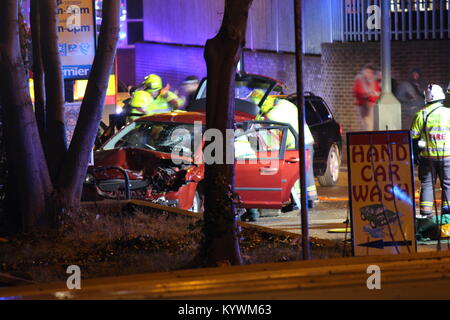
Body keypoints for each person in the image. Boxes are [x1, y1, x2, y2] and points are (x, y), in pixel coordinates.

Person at [411, 84, 450, 219]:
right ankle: (447, 216)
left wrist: (415, 156)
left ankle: (426, 215)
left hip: (427, 158)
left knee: (427, 184)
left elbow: (413, 138)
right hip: (447, 156)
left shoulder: (421, 114)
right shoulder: (448, 113)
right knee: (448, 184)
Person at [353, 64, 381, 131]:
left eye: (369, 72)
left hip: (371, 107)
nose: (367, 74)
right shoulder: (359, 80)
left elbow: (377, 94)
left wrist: (370, 97)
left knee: (370, 126)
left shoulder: (374, 82)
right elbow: (358, 93)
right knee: (364, 126)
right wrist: (369, 96)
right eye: (366, 72)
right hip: (362, 107)